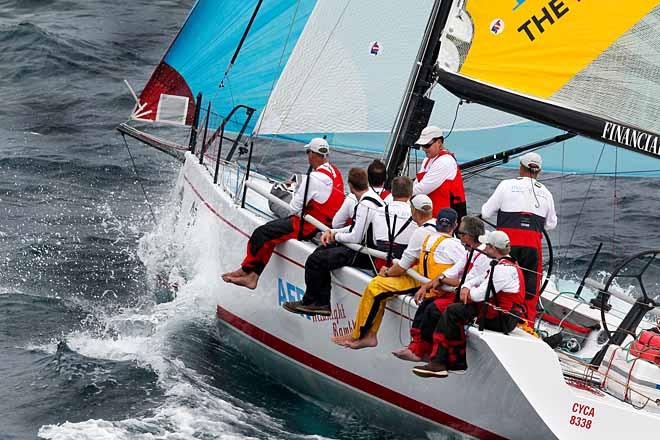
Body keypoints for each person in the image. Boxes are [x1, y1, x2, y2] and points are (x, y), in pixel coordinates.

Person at [334, 207, 465, 350]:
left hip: (432, 284)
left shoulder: (431, 237)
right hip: (423, 277)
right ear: (455, 225)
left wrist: (389, 272)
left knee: (376, 288)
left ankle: (361, 335)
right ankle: (366, 333)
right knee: (376, 284)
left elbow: (405, 264)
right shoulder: (441, 241)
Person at [222, 138, 344, 289]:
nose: (308, 157)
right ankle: (252, 276)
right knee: (271, 236)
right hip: (324, 224)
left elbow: (293, 208)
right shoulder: (336, 173)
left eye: (308, 153)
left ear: (312, 154)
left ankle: (246, 271)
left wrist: (299, 189)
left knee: (261, 233)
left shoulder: (314, 178)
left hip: (307, 225)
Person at [411, 230, 526, 378]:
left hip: (500, 319)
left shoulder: (502, 270)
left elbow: (479, 295)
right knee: (450, 309)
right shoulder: (503, 264)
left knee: (452, 311)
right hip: (497, 313)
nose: (484, 249)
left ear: (493, 249)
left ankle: (444, 362)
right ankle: (439, 357)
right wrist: (466, 286)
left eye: (488, 246)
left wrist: (466, 290)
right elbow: (478, 280)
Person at [283, 168, 384, 316]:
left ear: (350, 185)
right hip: (364, 247)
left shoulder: (365, 204)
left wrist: (335, 237)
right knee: (322, 250)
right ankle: (321, 301)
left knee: (315, 260)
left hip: (365, 253)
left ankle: (312, 301)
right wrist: (333, 233)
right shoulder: (374, 199)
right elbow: (357, 228)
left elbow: (356, 236)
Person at [393, 216, 489, 361]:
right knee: (426, 303)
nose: (459, 237)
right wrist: (427, 285)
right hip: (460, 294)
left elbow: (467, 282)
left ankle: (426, 351)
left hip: (473, 301)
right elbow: (451, 272)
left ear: (469, 236)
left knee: (434, 309)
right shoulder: (470, 252)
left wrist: (441, 279)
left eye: (461, 234)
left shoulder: (483, 256)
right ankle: (416, 346)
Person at [481, 151, 557, 324]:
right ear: (539, 171)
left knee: (500, 280)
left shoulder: (506, 185)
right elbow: (551, 224)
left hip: (506, 244)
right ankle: (526, 324)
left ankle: (496, 315)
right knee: (530, 289)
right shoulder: (546, 193)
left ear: (521, 167)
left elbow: (485, 213)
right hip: (532, 247)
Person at [412, 126, 466, 218]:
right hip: (433, 214)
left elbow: (422, 189)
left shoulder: (445, 161)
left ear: (439, 143)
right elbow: (417, 183)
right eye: (422, 145)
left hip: (449, 216)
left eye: (427, 145)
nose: (424, 149)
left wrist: (401, 195)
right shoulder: (427, 160)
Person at [372, 176, 417, 270]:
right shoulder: (416, 215)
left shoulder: (378, 211)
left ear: (391, 192)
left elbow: (375, 241)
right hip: (404, 267)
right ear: (411, 193)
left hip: (380, 264)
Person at [333, 159, 391, 228]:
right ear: (386, 177)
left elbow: (336, 224)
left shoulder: (353, 196)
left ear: (367, 177)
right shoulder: (393, 200)